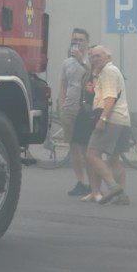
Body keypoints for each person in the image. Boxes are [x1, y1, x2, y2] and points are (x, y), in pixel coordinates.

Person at [82, 45, 131, 205]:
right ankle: (122, 195)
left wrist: (102, 119)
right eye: (92, 56)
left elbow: (110, 98)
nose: (95, 59)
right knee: (114, 158)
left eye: (99, 56)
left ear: (108, 57)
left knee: (91, 154)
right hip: (122, 119)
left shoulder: (108, 72)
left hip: (111, 119)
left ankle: (113, 186)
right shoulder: (108, 71)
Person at [57, 28, 91, 196]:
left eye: (80, 39)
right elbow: (63, 85)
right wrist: (61, 105)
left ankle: (93, 183)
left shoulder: (91, 60)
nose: (77, 42)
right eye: (74, 39)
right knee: (73, 146)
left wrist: (81, 60)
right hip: (69, 108)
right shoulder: (67, 63)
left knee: (86, 147)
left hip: (86, 109)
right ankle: (80, 181)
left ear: (87, 42)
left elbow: (93, 75)